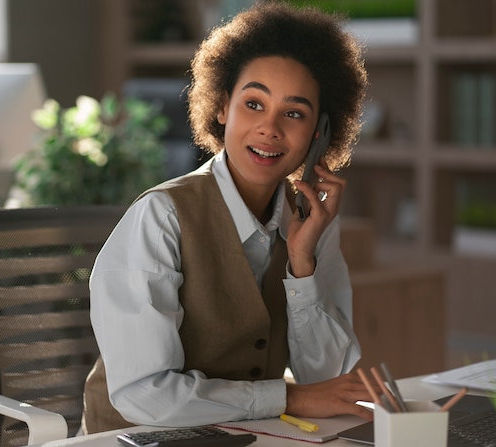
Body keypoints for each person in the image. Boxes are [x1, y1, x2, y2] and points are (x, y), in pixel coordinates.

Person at [82, 0, 374, 434]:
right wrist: (287, 397)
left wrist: (301, 263)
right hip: (133, 440)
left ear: (318, 134)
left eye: (293, 113)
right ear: (223, 108)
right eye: (254, 104)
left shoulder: (309, 223)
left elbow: (326, 379)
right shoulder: (161, 218)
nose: (270, 128)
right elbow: (145, 393)